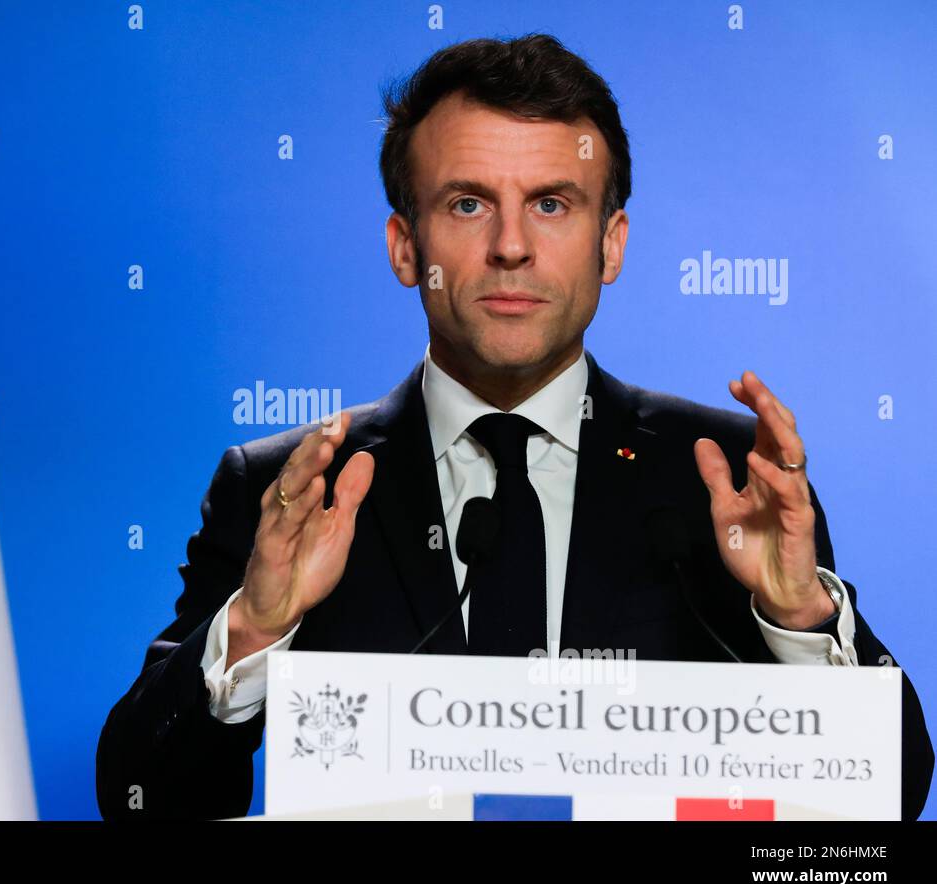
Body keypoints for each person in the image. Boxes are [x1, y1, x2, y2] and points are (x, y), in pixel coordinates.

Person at [96, 34, 933, 821]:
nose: (510, 247)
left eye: (550, 204)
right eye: (466, 204)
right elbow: (140, 798)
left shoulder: (724, 477)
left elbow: (890, 802)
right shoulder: (291, 489)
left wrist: (798, 620)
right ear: (402, 245)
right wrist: (255, 628)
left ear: (611, 246)